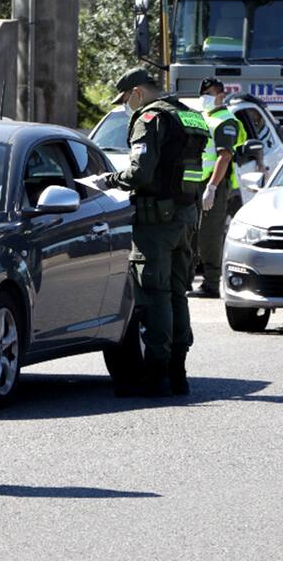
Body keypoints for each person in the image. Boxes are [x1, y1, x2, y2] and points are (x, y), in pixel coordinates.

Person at [86, 67, 209, 396]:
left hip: (156, 223)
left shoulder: (150, 118)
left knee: (155, 296)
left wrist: (108, 180)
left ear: (137, 92)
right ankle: (178, 374)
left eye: (126, 98)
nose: (126, 105)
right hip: (186, 217)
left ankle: (156, 377)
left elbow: (140, 173)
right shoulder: (189, 115)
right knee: (178, 293)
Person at [190, 77, 247, 299]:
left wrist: (212, 187)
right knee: (193, 233)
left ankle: (212, 283)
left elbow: (225, 156)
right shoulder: (203, 117)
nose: (205, 98)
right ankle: (188, 279)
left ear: (221, 96)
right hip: (197, 183)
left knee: (209, 235)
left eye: (209, 94)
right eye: (203, 95)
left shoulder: (226, 121)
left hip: (216, 184)